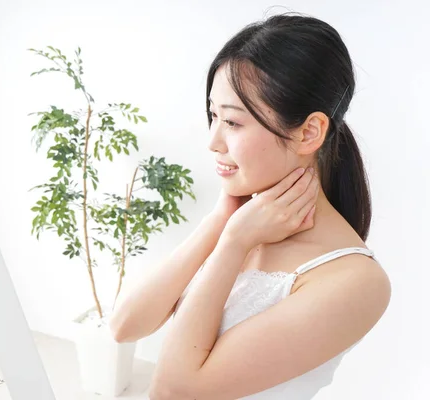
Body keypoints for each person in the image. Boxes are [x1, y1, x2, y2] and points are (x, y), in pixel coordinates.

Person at [108, 12, 392, 400]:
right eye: (213, 115)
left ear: (309, 132)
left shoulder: (355, 282)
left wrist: (233, 242)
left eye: (233, 123)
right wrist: (221, 220)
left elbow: (173, 391)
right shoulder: (243, 222)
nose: (213, 141)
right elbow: (124, 325)